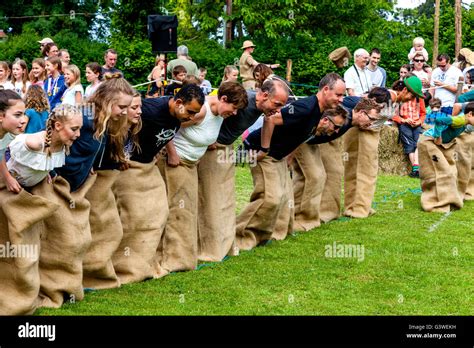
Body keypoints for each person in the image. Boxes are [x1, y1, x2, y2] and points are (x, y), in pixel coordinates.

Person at [35, 74, 134, 306]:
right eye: (121, 106)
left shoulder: (104, 120)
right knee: (65, 240)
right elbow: (49, 137)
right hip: (56, 185)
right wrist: (50, 173)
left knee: (77, 238)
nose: (124, 111)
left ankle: (71, 283)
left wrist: (89, 166)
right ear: (107, 100)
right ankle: (53, 288)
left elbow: (86, 149)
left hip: (76, 187)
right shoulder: (84, 117)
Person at [235, 73, 346, 250]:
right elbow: (270, 118)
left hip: (279, 155)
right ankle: (238, 236)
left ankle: (273, 234)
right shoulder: (305, 107)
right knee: (270, 198)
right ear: (326, 90)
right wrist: (264, 149)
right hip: (262, 152)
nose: (341, 99)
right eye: (338, 95)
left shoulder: (319, 111)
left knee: (286, 201)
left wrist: (289, 156)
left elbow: (300, 136)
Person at [157, 82, 247, 276]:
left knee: (188, 212)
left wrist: (210, 141)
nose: (234, 114)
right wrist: (171, 153)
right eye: (233, 109)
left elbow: (206, 131)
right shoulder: (200, 112)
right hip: (176, 163)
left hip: (191, 164)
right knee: (179, 211)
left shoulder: (219, 114)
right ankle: (171, 259)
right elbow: (168, 128)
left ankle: (183, 256)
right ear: (223, 99)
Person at [197, 77, 290, 262]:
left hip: (225, 150)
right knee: (211, 198)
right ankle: (207, 246)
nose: (278, 109)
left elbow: (268, 120)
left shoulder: (261, 108)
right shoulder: (243, 100)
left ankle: (224, 243)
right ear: (264, 95)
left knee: (225, 199)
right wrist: (210, 139)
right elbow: (213, 108)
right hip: (212, 150)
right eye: (277, 103)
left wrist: (264, 148)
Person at [291, 93, 388, 231]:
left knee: (326, 173)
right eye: (371, 119)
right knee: (315, 176)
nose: (371, 124)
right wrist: (289, 151)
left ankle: (313, 214)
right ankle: (301, 218)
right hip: (301, 140)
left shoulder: (348, 121)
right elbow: (306, 130)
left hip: (308, 141)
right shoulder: (341, 120)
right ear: (361, 112)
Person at [6, 104, 82, 190]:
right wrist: (8, 178)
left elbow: (43, 161)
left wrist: (44, 172)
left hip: (32, 187)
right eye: (74, 129)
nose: (78, 134)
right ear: (58, 126)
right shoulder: (35, 143)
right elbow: (4, 152)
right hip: (8, 185)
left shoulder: (62, 145)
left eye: (80, 129)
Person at [418, 103, 474, 212]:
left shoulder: (465, 123)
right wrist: (438, 135)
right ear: (471, 114)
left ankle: (448, 199)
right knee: (444, 172)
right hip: (428, 140)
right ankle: (433, 203)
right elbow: (439, 121)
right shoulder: (460, 120)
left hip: (440, 144)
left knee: (452, 172)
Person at [392, 76, 427, 178]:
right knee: (409, 145)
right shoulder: (400, 98)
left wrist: (419, 121)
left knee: (419, 143)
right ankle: (416, 168)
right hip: (404, 124)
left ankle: (416, 167)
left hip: (416, 124)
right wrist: (403, 120)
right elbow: (393, 115)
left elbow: (423, 113)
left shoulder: (419, 98)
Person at [0, 90, 26, 162]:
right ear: (1, 116)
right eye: (17, 115)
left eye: (24, 114)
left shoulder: (9, 135)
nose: (24, 120)